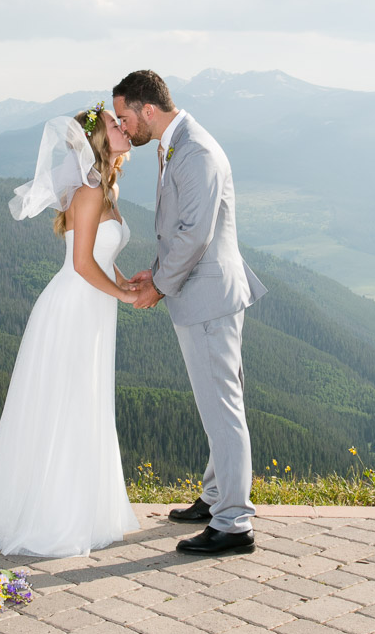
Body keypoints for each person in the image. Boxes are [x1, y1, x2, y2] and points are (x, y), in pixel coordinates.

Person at [113, 71, 267, 556]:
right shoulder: (177, 144)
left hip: (207, 299)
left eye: (124, 116)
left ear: (148, 110)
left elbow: (195, 233)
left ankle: (234, 524)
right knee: (220, 404)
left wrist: (159, 286)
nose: (123, 126)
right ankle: (217, 497)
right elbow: (183, 228)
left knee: (222, 411)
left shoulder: (194, 150)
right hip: (205, 293)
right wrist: (155, 270)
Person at [0, 103, 140, 557]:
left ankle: (82, 509)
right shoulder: (90, 191)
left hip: (89, 305)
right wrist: (125, 295)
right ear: (96, 139)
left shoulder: (101, 187)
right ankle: (57, 516)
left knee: (82, 401)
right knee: (70, 404)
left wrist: (126, 279)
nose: (122, 126)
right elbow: (81, 262)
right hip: (74, 308)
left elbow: (99, 256)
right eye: (114, 124)